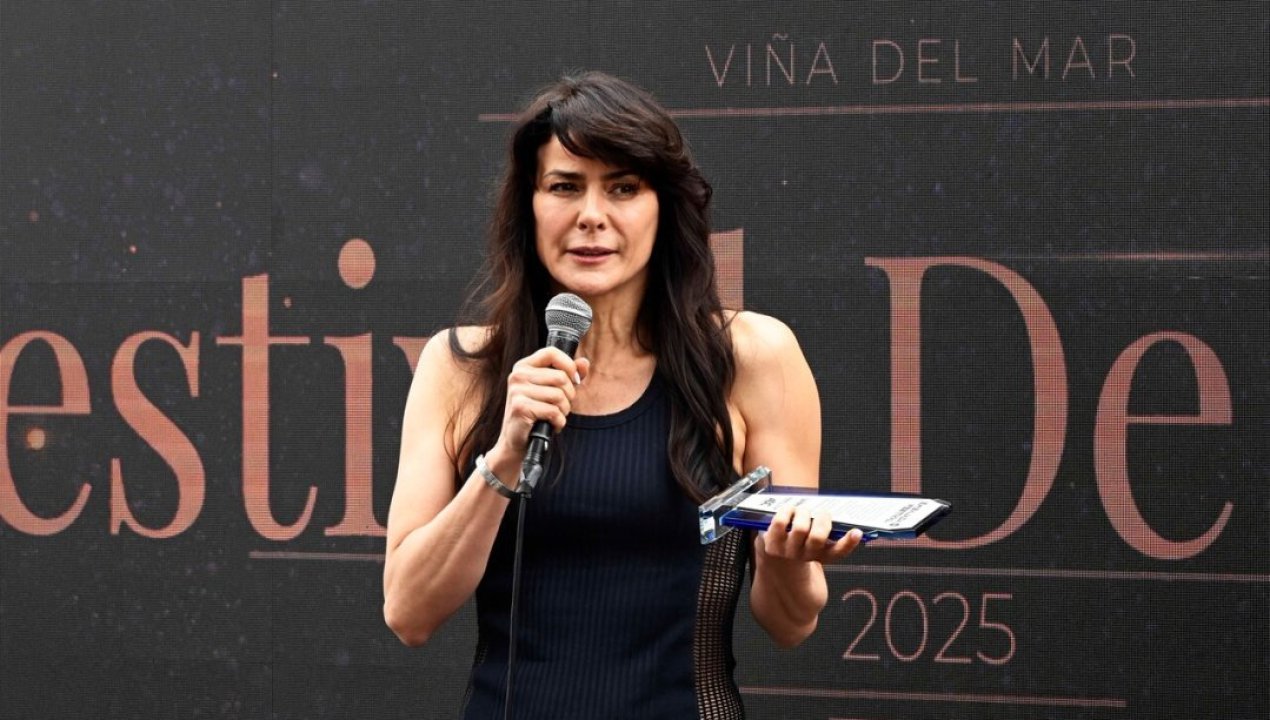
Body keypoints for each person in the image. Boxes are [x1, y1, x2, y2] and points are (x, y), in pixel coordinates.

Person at [383, 71, 862, 719]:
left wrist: (786, 560)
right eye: (564, 186)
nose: (591, 215)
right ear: (529, 205)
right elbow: (409, 613)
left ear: (664, 206)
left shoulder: (751, 357)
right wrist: (502, 460)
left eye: (623, 188)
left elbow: (791, 623)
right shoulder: (461, 366)